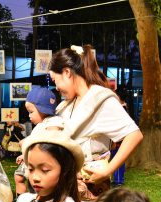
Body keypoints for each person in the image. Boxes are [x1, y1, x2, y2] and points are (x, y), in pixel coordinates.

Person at [49, 45, 143, 192]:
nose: (56, 87)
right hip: (69, 186)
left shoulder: (100, 98)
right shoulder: (67, 104)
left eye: (55, 80)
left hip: (91, 188)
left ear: (67, 72)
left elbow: (134, 135)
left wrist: (108, 170)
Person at [13, 86, 57, 199]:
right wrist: (24, 155)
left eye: (31, 112)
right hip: (33, 159)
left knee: (33, 182)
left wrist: (26, 141)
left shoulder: (52, 123)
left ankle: (29, 201)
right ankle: (20, 200)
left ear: (43, 109)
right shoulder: (41, 125)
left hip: (41, 162)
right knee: (19, 177)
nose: (29, 115)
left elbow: (49, 139)